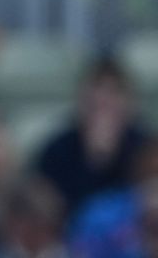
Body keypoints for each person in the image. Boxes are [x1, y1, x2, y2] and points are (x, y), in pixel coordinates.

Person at [35, 58, 149, 219]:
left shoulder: (147, 150)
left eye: (114, 91)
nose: (103, 100)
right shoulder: (56, 151)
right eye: (96, 89)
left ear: (131, 102)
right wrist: (94, 159)